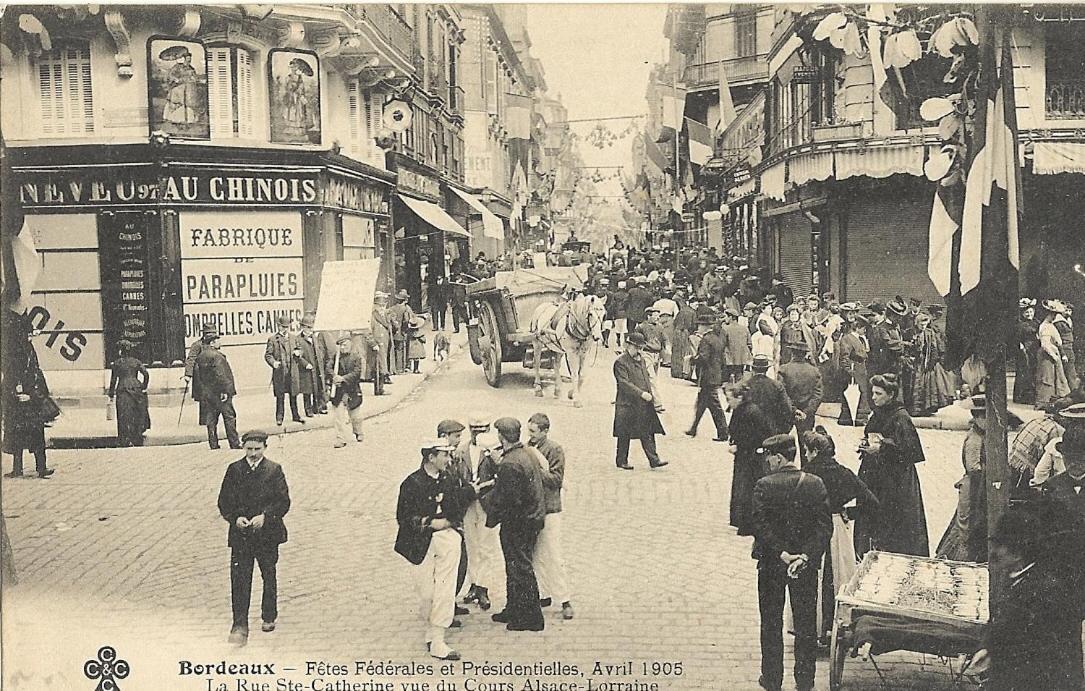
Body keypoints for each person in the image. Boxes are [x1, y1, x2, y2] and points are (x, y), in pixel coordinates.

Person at [750, 434, 832, 691]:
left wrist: (782, 553)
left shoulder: (764, 485)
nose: (766, 462)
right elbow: (824, 527)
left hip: (772, 564)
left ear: (778, 457)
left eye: (768, 457)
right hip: (805, 566)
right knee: (806, 624)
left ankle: (772, 679)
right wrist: (806, 556)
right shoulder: (815, 483)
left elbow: (760, 526)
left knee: (771, 622)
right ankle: (805, 681)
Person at [984, 502, 1085, 691]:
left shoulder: (1045, 591)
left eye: (1000, 546)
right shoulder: (1017, 578)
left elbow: (1040, 654)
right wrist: (987, 648)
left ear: (1018, 552)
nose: (993, 553)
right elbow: (1002, 626)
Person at [394, 439, 479, 661]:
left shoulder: (449, 480)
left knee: (445, 588)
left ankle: (438, 639)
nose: (449, 460)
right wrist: (429, 522)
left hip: (447, 540)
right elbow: (403, 517)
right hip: (419, 543)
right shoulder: (412, 483)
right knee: (427, 594)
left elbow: (458, 507)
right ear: (431, 458)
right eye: (444, 456)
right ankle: (432, 631)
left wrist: (449, 523)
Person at [801, 427, 879, 643]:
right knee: (836, 577)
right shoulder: (843, 473)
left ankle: (811, 628)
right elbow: (872, 502)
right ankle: (833, 627)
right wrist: (850, 512)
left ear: (815, 452)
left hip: (813, 529)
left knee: (813, 579)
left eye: (807, 451)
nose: (806, 455)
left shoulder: (807, 473)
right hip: (837, 529)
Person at [217, 429, 291, 647]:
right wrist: (235, 518)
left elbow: (283, 502)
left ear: (265, 448)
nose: (253, 454)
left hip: (267, 535)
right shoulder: (234, 470)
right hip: (241, 536)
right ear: (243, 448)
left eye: (257, 449)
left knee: (269, 574)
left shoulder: (274, 470)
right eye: (249, 449)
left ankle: (269, 615)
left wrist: (266, 517)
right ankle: (239, 625)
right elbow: (224, 501)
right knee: (240, 579)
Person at [480, 417, 547, 632]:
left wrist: (490, 510)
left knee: (520, 567)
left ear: (501, 436)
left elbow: (508, 500)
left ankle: (531, 618)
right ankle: (514, 608)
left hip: (518, 522)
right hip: (531, 518)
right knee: (516, 565)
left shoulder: (510, 463)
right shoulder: (525, 453)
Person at [854, 373, 929, 558]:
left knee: (893, 520)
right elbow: (871, 432)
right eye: (873, 393)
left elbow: (910, 450)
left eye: (878, 394)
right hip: (874, 475)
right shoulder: (878, 413)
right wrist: (865, 444)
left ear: (891, 395)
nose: (874, 397)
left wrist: (882, 447)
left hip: (895, 480)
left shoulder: (901, 417)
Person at [527, 413, 574, 620]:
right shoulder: (527, 448)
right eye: (529, 431)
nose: (530, 435)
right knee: (535, 553)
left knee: (553, 554)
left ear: (545, 431)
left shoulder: (554, 449)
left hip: (550, 508)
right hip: (532, 508)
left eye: (534, 431)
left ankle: (564, 599)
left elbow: (556, 479)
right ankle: (542, 593)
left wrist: (536, 469)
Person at [454, 415, 499, 612]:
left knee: (487, 545)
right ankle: (473, 584)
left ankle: (484, 586)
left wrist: (487, 485)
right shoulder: (460, 451)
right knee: (471, 544)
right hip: (468, 503)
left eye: (482, 429)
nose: (478, 433)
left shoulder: (493, 450)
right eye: (474, 429)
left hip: (487, 502)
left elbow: (501, 475)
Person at [936, 396, 989, 562]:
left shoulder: (983, 434)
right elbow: (973, 467)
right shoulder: (974, 439)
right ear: (978, 418)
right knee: (964, 526)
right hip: (972, 486)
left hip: (978, 485)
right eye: (984, 417)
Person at [2, 321, 58, 478]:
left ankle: (40, 468)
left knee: (33, 435)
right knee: (19, 436)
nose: (30, 337)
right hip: (21, 402)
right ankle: (20, 469)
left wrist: (32, 395)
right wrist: (17, 394)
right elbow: (10, 379)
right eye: (28, 334)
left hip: (29, 402)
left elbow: (35, 377)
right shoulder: (16, 353)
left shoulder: (26, 352)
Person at [612, 332, 668, 470]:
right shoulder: (620, 362)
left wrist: (651, 395)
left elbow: (646, 378)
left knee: (648, 432)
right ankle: (621, 460)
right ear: (628, 345)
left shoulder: (641, 360)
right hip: (627, 404)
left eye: (641, 348)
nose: (639, 350)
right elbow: (624, 383)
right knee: (624, 433)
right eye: (636, 347)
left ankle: (654, 460)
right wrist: (641, 393)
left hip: (643, 403)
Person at [726, 383, 774, 535]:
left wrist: (739, 446)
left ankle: (746, 523)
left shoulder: (749, 412)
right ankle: (740, 520)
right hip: (746, 455)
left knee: (745, 488)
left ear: (739, 397)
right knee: (742, 487)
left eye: (729, 399)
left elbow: (754, 436)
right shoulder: (742, 409)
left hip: (750, 457)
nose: (728, 403)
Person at [195, 335, 241, 450]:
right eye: (217, 341)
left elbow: (199, 376)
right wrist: (225, 391)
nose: (219, 343)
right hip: (220, 394)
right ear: (212, 343)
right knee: (229, 417)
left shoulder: (201, 356)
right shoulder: (217, 356)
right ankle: (234, 443)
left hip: (208, 393)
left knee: (211, 419)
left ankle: (213, 443)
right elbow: (221, 375)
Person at [686, 313, 728, 440]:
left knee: (715, 406)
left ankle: (724, 433)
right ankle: (693, 428)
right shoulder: (718, 338)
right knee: (702, 403)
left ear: (704, 326)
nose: (698, 327)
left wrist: (692, 360)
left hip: (707, 376)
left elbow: (703, 357)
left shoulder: (706, 339)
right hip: (715, 375)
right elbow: (722, 359)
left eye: (699, 325)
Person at [777, 356, 823, 465]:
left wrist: (793, 410)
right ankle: (806, 473)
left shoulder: (783, 369)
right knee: (807, 446)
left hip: (787, 413)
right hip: (806, 415)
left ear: (792, 353)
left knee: (783, 445)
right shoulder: (814, 371)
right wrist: (806, 412)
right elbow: (818, 395)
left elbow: (782, 394)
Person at [908, 311, 954, 416]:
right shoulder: (912, 333)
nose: (923, 326)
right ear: (917, 324)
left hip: (926, 363)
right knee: (914, 385)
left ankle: (926, 408)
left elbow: (934, 348)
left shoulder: (929, 333)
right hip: (915, 363)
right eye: (921, 324)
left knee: (926, 386)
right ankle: (915, 409)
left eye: (925, 324)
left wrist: (931, 363)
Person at [265, 315, 307, 426]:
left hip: (292, 371)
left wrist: (299, 353)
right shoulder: (273, 339)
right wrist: (273, 363)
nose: (283, 329)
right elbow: (268, 355)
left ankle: (296, 416)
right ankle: (279, 417)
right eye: (281, 326)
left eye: (285, 327)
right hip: (280, 372)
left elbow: (300, 349)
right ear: (278, 326)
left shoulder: (293, 338)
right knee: (280, 396)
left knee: (293, 395)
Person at [108, 340, 150, 447]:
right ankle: (137, 436)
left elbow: (113, 380)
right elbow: (145, 373)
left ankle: (125, 439)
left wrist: (111, 393)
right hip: (136, 388)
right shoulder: (136, 362)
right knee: (137, 412)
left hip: (122, 389)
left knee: (124, 415)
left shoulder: (117, 363)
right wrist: (144, 386)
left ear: (121, 350)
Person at [327, 335, 364, 447]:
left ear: (350, 344)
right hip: (339, 392)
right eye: (341, 345)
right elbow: (328, 368)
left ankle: (358, 432)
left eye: (345, 345)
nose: (343, 347)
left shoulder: (356, 357)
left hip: (352, 390)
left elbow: (356, 372)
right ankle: (340, 439)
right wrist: (334, 376)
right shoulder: (335, 357)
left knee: (355, 416)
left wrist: (343, 378)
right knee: (339, 417)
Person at [743, 355, 795, 435]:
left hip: (749, 432)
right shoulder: (777, 385)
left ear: (752, 369)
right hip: (770, 431)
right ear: (767, 369)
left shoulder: (745, 385)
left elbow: (737, 412)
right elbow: (786, 409)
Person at [836, 311, 872, 426]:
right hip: (854, 371)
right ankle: (853, 418)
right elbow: (844, 357)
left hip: (860, 370)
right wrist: (849, 371)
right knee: (854, 394)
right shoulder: (847, 339)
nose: (864, 331)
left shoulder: (861, 339)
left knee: (862, 393)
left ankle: (858, 417)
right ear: (857, 327)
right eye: (863, 328)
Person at [1036, 300, 1071, 407]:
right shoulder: (1045, 326)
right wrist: (1054, 356)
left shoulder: (1050, 325)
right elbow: (1045, 344)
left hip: (1052, 352)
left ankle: (1054, 401)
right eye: (1053, 314)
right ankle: (1044, 402)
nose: (1054, 316)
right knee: (1047, 378)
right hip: (1047, 355)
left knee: (1056, 377)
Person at [297, 314, 328, 415]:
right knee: (307, 389)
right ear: (303, 327)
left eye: (311, 327)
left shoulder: (315, 338)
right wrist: (305, 364)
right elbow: (297, 356)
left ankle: (318, 407)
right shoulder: (298, 339)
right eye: (308, 327)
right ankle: (308, 409)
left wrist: (320, 358)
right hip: (306, 368)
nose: (310, 330)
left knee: (319, 387)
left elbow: (320, 350)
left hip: (317, 366)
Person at [1014, 299, 1039, 405]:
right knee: (1025, 372)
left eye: (1031, 312)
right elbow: (1017, 339)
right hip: (1025, 350)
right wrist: (1021, 348)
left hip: (1035, 348)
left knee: (1034, 371)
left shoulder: (1036, 322)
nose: (1029, 314)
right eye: (1027, 313)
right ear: (1023, 314)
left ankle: (1033, 395)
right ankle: (1023, 396)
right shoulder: (1021, 325)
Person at [722, 308, 752, 383]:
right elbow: (750, 344)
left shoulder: (725, 329)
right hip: (741, 360)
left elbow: (722, 344)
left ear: (731, 317)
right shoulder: (745, 329)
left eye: (726, 316)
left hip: (729, 360)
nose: (725, 319)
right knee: (739, 380)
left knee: (728, 382)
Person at [389, 290, 413, 374]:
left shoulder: (392, 308)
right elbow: (406, 321)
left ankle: (393, 368)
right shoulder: (405, 309)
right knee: (400, 350)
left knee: (394, 350)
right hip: (401, 332)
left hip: (393, 332)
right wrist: (404, 330)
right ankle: (400, 369)